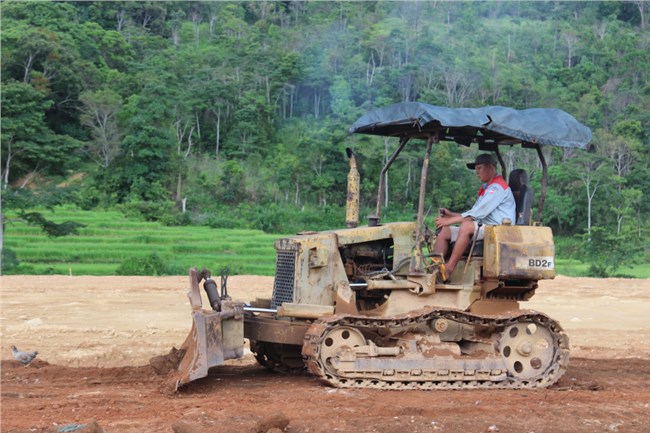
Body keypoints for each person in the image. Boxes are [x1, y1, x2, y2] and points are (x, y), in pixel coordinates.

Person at [433, 153, 516, 277]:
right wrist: (450, 215)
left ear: (490, 168)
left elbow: (477, 214)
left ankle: (449, 269)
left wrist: (449, 220)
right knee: (444, 231)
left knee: (466, 226)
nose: (477, 173)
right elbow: (473, 213)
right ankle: (434, 269)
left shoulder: (497, 188)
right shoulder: (487, 188)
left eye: (479, 169)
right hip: (486, 225)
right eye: (476, 169)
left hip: (499, 229)